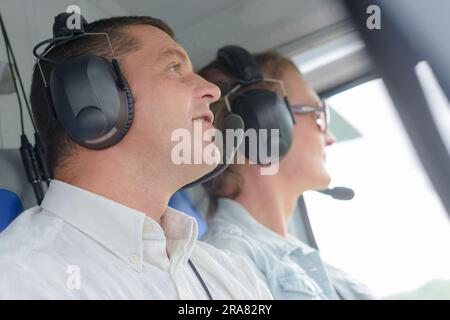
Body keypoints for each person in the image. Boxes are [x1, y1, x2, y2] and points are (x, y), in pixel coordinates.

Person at [0, 16, 272, 299]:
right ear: (93, 98)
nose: (213, 91)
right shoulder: (20, 279)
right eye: (174, 68)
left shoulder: (235, 277)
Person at [199, 46, 375, 300]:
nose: (330, 138)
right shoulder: (227, 266)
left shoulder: (303, 260)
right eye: (317, 114)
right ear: (266, 121)